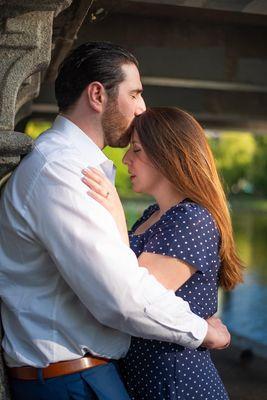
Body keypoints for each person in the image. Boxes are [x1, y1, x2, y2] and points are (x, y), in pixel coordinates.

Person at [0, 43, 230, 400]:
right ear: (97, 95)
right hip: (72, 379)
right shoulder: (61, 171)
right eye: (135, 93)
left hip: (83, 373)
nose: (142, 108)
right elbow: (121, 297)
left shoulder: (71, 167)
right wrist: (203, 332)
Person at [82, 107, 243, 399]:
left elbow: (133, 296)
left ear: (169, 155)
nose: (126, 159)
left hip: (177, 383)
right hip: (146, 379)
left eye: (137, 150)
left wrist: (117, 216)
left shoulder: (191, 219)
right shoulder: (153, 214)